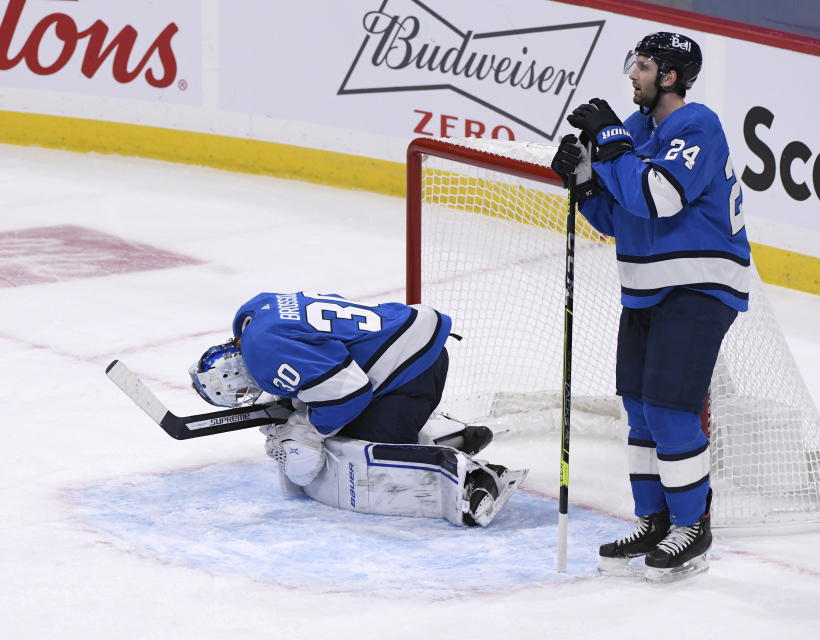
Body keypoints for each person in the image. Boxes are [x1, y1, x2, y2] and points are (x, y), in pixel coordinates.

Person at [551, 32, 749, 581]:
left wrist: (610, 144)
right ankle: (654, 519)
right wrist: (582, 183)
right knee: (637, 408)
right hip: (646, 288)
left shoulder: (698, 125)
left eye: (642, 65)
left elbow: (660, 198)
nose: (632, 74)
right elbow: (620, 220)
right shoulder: (637, 131)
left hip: (699, 286)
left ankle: (692, 526)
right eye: (633, 63)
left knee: (669, 410)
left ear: (669, 76)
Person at [188, 290, 526, 527]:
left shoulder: (263, 355)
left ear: (235, 372)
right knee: (339, 425)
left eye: (241, 390)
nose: (250, 393)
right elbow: (330, 333)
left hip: (413, 368)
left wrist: (305, 429)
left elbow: (349, 394)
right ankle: (444, 432)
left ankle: (478, 476)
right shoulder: (254, 315)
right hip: (410, 338)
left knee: (363, 451)